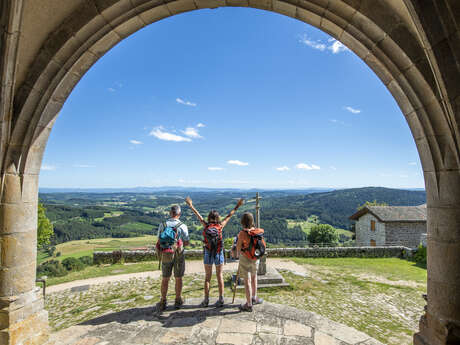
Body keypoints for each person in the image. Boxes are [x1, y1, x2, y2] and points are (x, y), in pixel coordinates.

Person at [186, 196, 244, 307]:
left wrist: (191, 205)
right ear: (217, 217)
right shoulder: (220, 226)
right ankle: (221, 299)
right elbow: (230, 215)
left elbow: (198, 215)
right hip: (218, 252)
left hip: (208, 252)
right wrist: (237, 205)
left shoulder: (206, 225)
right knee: (219, 276)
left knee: (207, 277)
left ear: (209, 217)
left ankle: (206, 300)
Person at [155, 205, 190, 312]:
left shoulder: (163, 224)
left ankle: (163, 301)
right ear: (179, 214)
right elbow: (187, 242)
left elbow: (158, 239)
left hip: (166, 253)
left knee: (165, 278)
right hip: (178, 253)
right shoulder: (182, 226)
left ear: (170, 213)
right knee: (178, 277)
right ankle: (178, 300)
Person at [236, 212, 264, 312]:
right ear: (252, 221)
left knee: (247, 281)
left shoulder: (242, 233)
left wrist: (236, 254)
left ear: (242, 222)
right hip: (255, 258)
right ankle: (254, 298)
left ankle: (248, 304)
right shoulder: (257, 232)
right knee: (254, 277)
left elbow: (238, 248)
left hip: (245, 258)